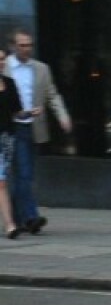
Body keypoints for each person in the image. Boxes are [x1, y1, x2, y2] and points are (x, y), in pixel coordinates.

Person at [5, 29, 73, 235]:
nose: (27, 49)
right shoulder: (3, 66)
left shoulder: (42, 69)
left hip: (32, 127)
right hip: (10, 126)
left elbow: (52, 95)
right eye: (22, 45)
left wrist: (62, 116)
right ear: (13, 46)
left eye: (30, 45)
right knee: (23, 173)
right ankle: (31, 216)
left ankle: (18, 219)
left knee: (24, 175)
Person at [0, 68, 22, 239]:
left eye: (2, 59)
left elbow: (16, 110)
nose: (1, 62)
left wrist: (29, 113)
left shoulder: (9, 83)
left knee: (2, 181)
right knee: (1, 182)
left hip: (6, 138)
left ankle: (9, 224)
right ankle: (10, 224)